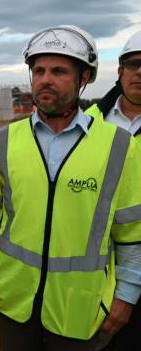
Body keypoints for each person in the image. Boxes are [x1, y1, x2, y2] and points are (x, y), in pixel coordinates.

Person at [0, 26, 141, 350]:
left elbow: (131, 232)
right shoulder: (4, 141)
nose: (45, 79)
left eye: (58, 71)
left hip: (79, 305)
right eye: (38, 70)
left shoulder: (119, 146)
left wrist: (127, 294)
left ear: (84, 78)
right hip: (13, 300)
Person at [85, 29, 141, 351]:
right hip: (95, 267)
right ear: (119, 71)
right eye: (133, 63)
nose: (140, 72)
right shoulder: (90, 123)